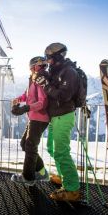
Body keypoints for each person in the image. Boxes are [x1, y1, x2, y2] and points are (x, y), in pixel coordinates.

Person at [37, 42, 81, 201]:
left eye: (49, 58)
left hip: (63, 116)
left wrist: (45, 85)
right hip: (55, 116)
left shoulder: (69, 72)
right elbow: (52, 85)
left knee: (61, 152)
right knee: (52, 148)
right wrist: (43, 76)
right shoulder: (57, 71)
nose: (47, 61)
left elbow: (63, 96)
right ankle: (65, 177)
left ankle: (72, 189)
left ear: (57, 56)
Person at [11, 56, 50, 186]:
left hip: (40, 118)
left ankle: (28, 177)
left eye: (32, 67)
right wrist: (18, 99)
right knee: (25, 145)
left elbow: (42, 103)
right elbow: (28, 95)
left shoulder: (41, 79)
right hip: (34, 117)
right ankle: (42, 172)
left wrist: (26, 108)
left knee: (30, 146)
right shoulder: (34, 79)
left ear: (34, 66)